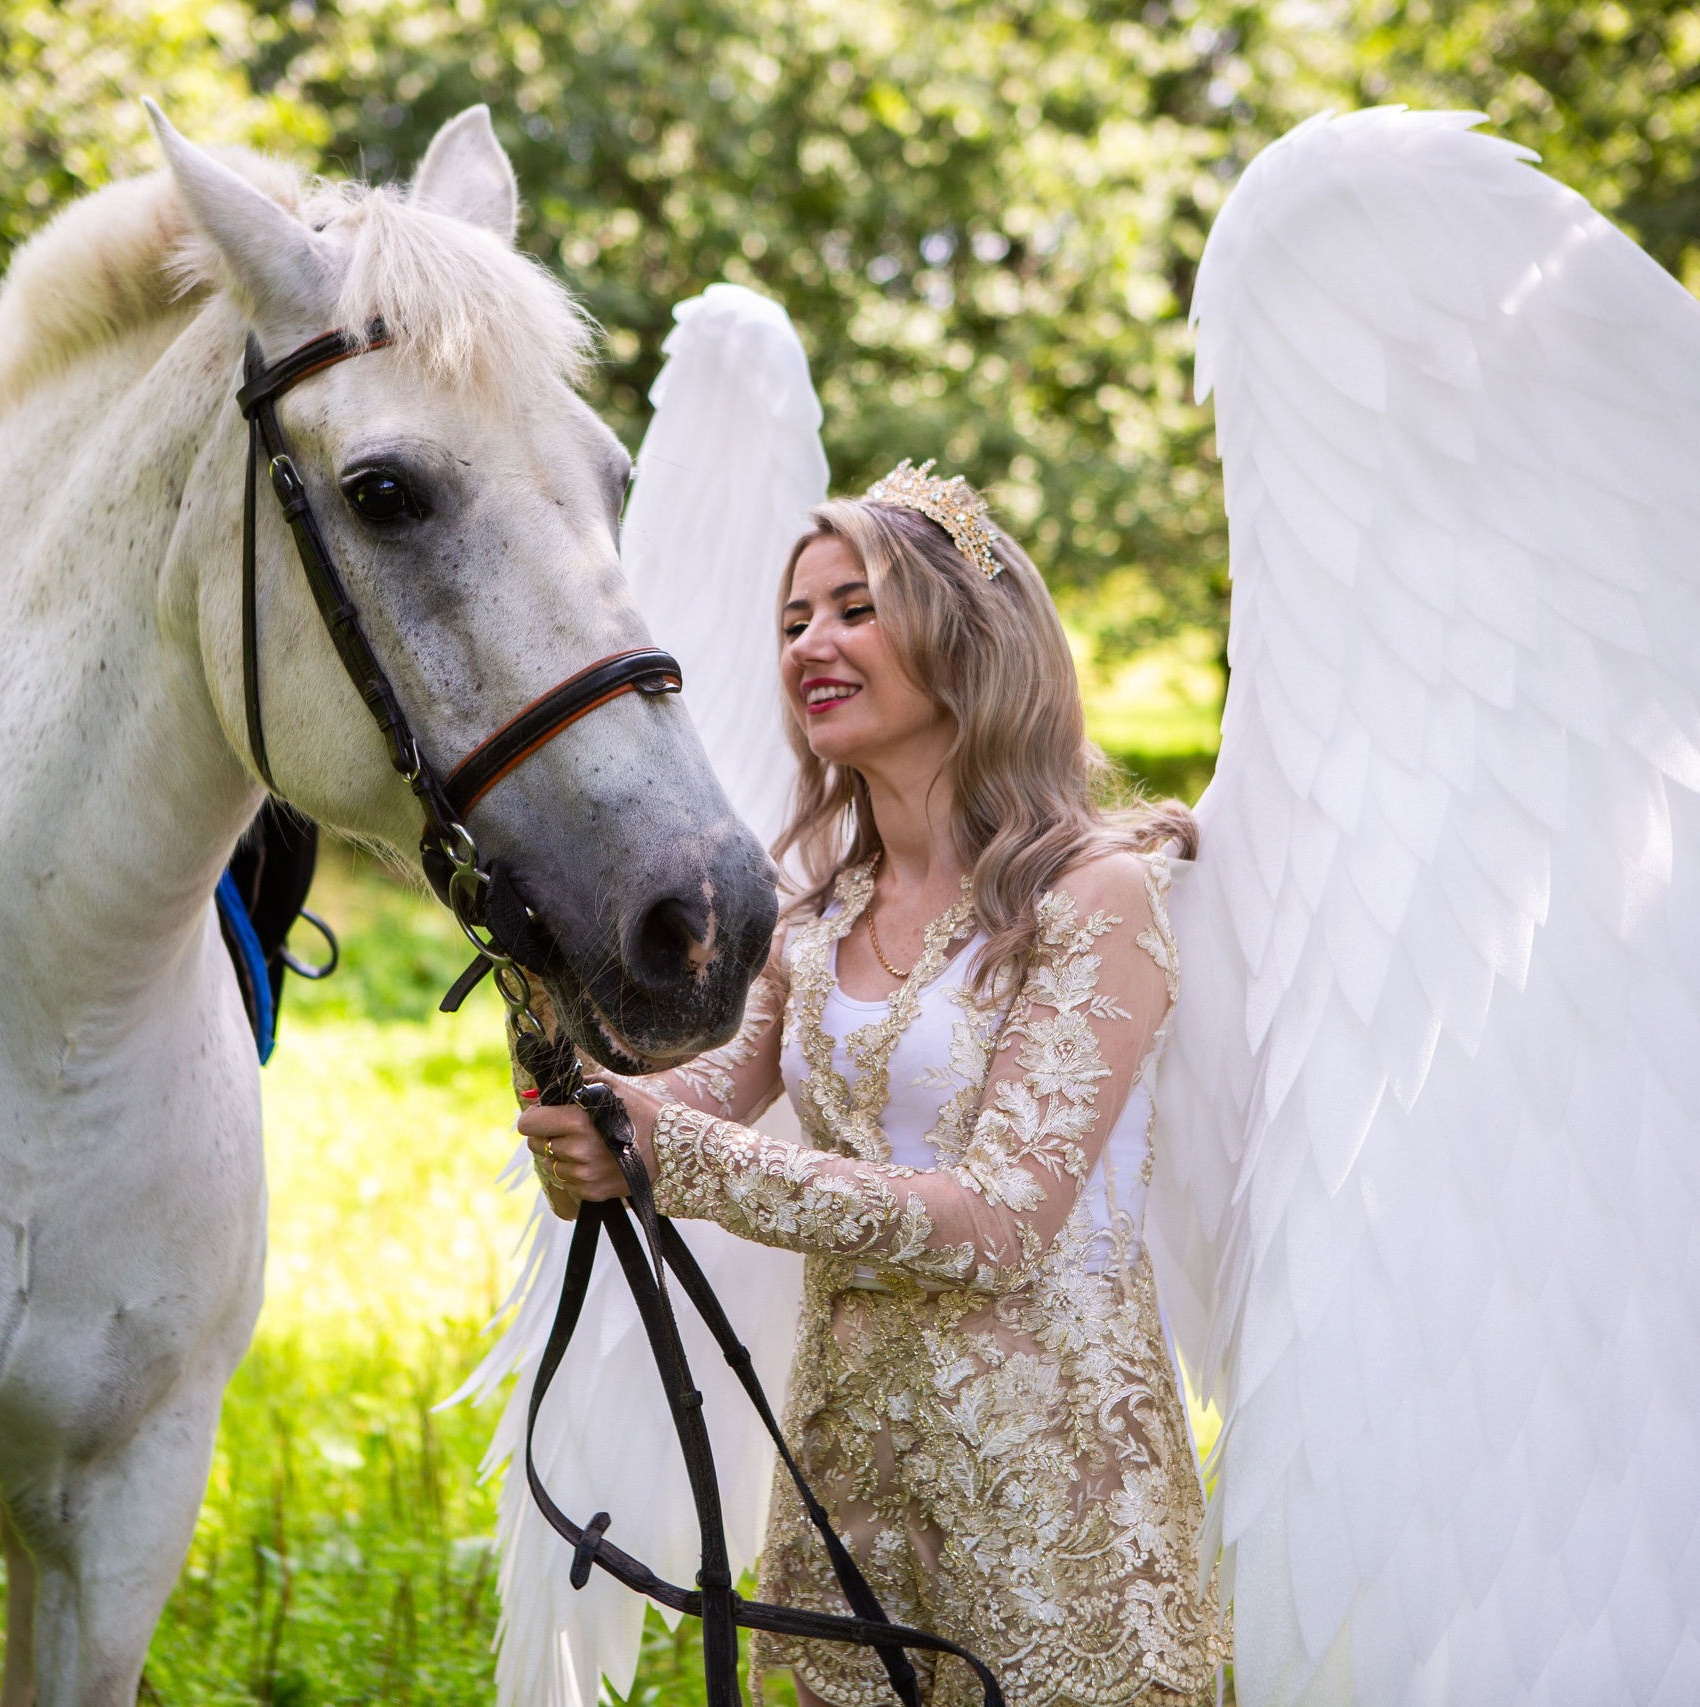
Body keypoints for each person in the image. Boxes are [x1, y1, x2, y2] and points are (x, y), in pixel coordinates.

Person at [518, 461, 1229, 1707]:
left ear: (969, 637)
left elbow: (1001, 1222)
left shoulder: (1094, 900)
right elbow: (703, 1099)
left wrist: (667, 1159)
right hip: (857, 1498)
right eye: (793, 621)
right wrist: (585, 1087)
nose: (811, 645)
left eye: (855, 607)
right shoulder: (818, 914)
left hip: (1052, 1512)